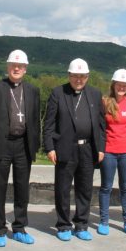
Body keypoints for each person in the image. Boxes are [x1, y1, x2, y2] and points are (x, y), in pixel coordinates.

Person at [0, 50, 41, 247]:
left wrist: (35, 146)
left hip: (23, 145)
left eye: (20, 66)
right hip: (1, 144)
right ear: (8, 67)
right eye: (13, 66)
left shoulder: (32, 90)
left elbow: (34, 121)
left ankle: (19, 228)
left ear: (25, 69)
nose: (16, 69)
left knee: (22, 188)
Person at [43, 58, 105, 241]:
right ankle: (63, 226)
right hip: (64, 148)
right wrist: (49, 147)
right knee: (62, 189)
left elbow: (101, 125)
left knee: (85, 188)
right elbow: (49, 123)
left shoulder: (94, 94)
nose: (79, 79)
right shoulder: (58, 93)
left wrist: (101, 147)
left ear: (87, 76)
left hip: (87, 148)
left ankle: (81, 225)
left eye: (83, 76)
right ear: (69, 75)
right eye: (75, 76)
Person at [98, 69, 126, 237]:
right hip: (109, 151)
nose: (121, 87)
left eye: (124, 85)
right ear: (113, 85)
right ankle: (104, 221)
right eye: (118, 84)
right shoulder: (105, 102)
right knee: (106, 187)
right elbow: (100, 128)